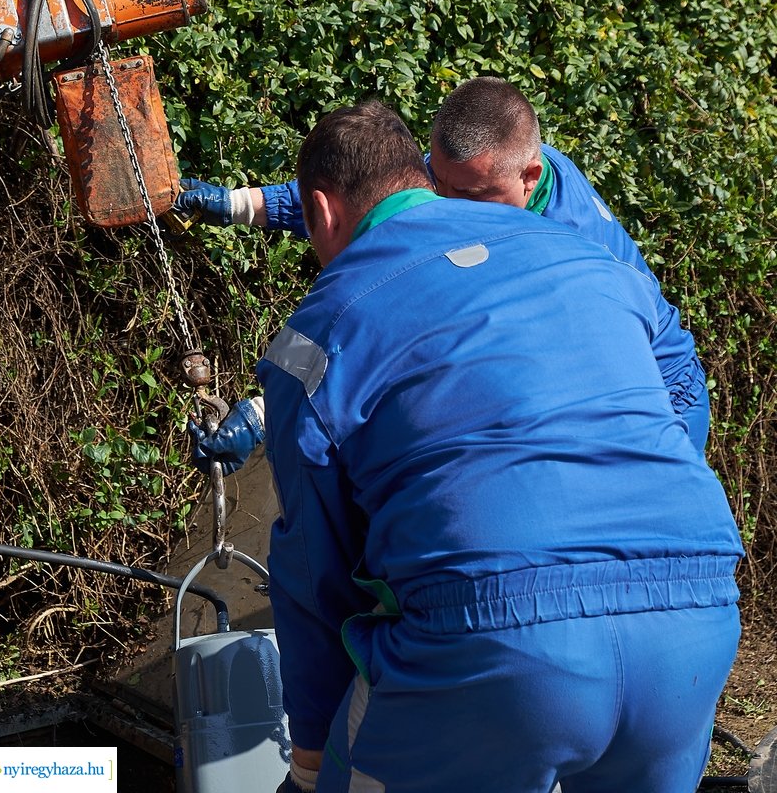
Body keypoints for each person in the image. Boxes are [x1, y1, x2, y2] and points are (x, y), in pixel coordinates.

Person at [191, 100, 742, 793]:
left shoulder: (310, 334)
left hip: (495, 639)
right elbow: (673, 364)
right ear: (423, 175)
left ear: (322, 213)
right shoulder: (583, 250)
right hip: (695, 611)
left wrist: (307, 763)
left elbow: (311, 572)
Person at [177, 77, 710, 452]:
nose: (438, 208)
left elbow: (401, 350)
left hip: (655, 408)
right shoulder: (489, 178)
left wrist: (267, 413)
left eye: (468, 196)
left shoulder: (569, 260)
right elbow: (370, 196)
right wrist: (236, 204)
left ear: (528, 177)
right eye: (436, 181)